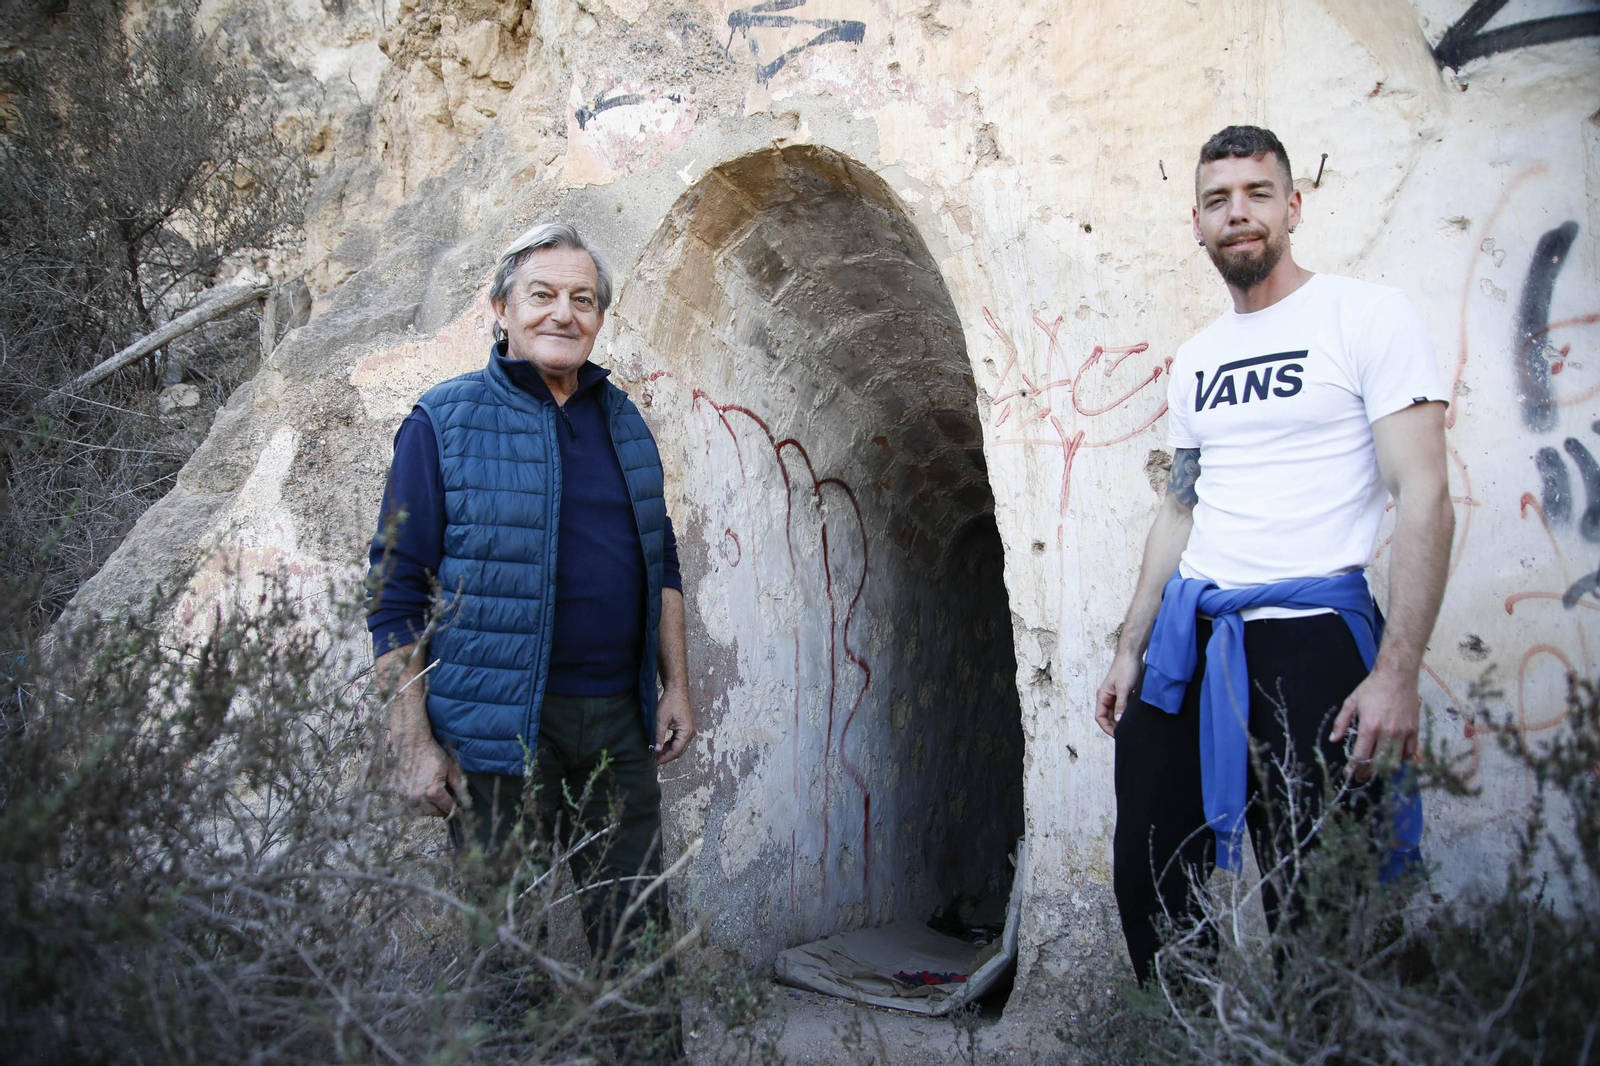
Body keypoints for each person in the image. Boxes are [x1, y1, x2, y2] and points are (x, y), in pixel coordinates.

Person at [1093, 125, 1453, 984]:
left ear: (1293, 206)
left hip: (1312, 638)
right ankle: (1178, 1038)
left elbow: (1426, 494)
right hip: (1193, 639)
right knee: (1149, 875)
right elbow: (1180, 510)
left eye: (1257, 194)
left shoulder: (1366, 314)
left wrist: (1398, 671)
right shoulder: (1198, 359)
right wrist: (1129, 645)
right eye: (1218, 200)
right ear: (1197, 222)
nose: (1238, 214)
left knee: (1321, 897)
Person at [366, 221, 696, 967]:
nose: (563, 313)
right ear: (501, 308)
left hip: (617, 722)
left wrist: (676, 684)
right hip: (494, 731)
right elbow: (395, 590)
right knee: (506, 951)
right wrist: (412, 739)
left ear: (600, 319)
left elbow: (661, 555)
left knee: (637, 938)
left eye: (583, 299)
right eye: (541, 294)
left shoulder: (625, 422)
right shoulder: (441, 422)